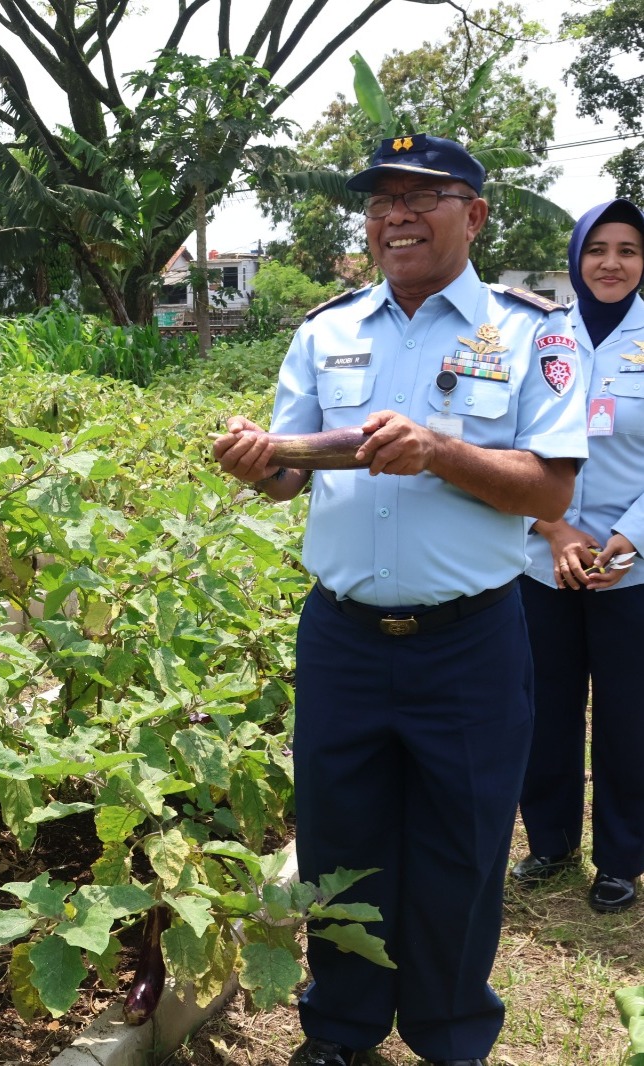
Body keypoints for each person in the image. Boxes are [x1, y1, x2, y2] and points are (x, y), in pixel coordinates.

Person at [213, 135, 587, 1066]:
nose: (396, 216)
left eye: (424, 196)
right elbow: (287, 474)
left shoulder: (533, 331)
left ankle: (451, 1032)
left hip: (469, 643)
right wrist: (258, 460)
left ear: (477, 215)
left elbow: (548, 492)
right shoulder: (326, 331)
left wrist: (441, 452)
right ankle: (340, 1029)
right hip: (342, 637)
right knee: (342, 841)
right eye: (381, 201)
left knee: (461, 848)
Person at [511, 198, 644, 914]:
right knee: (544, 708)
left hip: (634, 568)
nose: (611, 264)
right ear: (576, 258)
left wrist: (630, 537)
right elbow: (506, 444)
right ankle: (551, 841)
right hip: (543, 560)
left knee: (629, 714)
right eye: (598, 249)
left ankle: (622, 857)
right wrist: (554, 527)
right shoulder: (539, 340)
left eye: (628, 250)